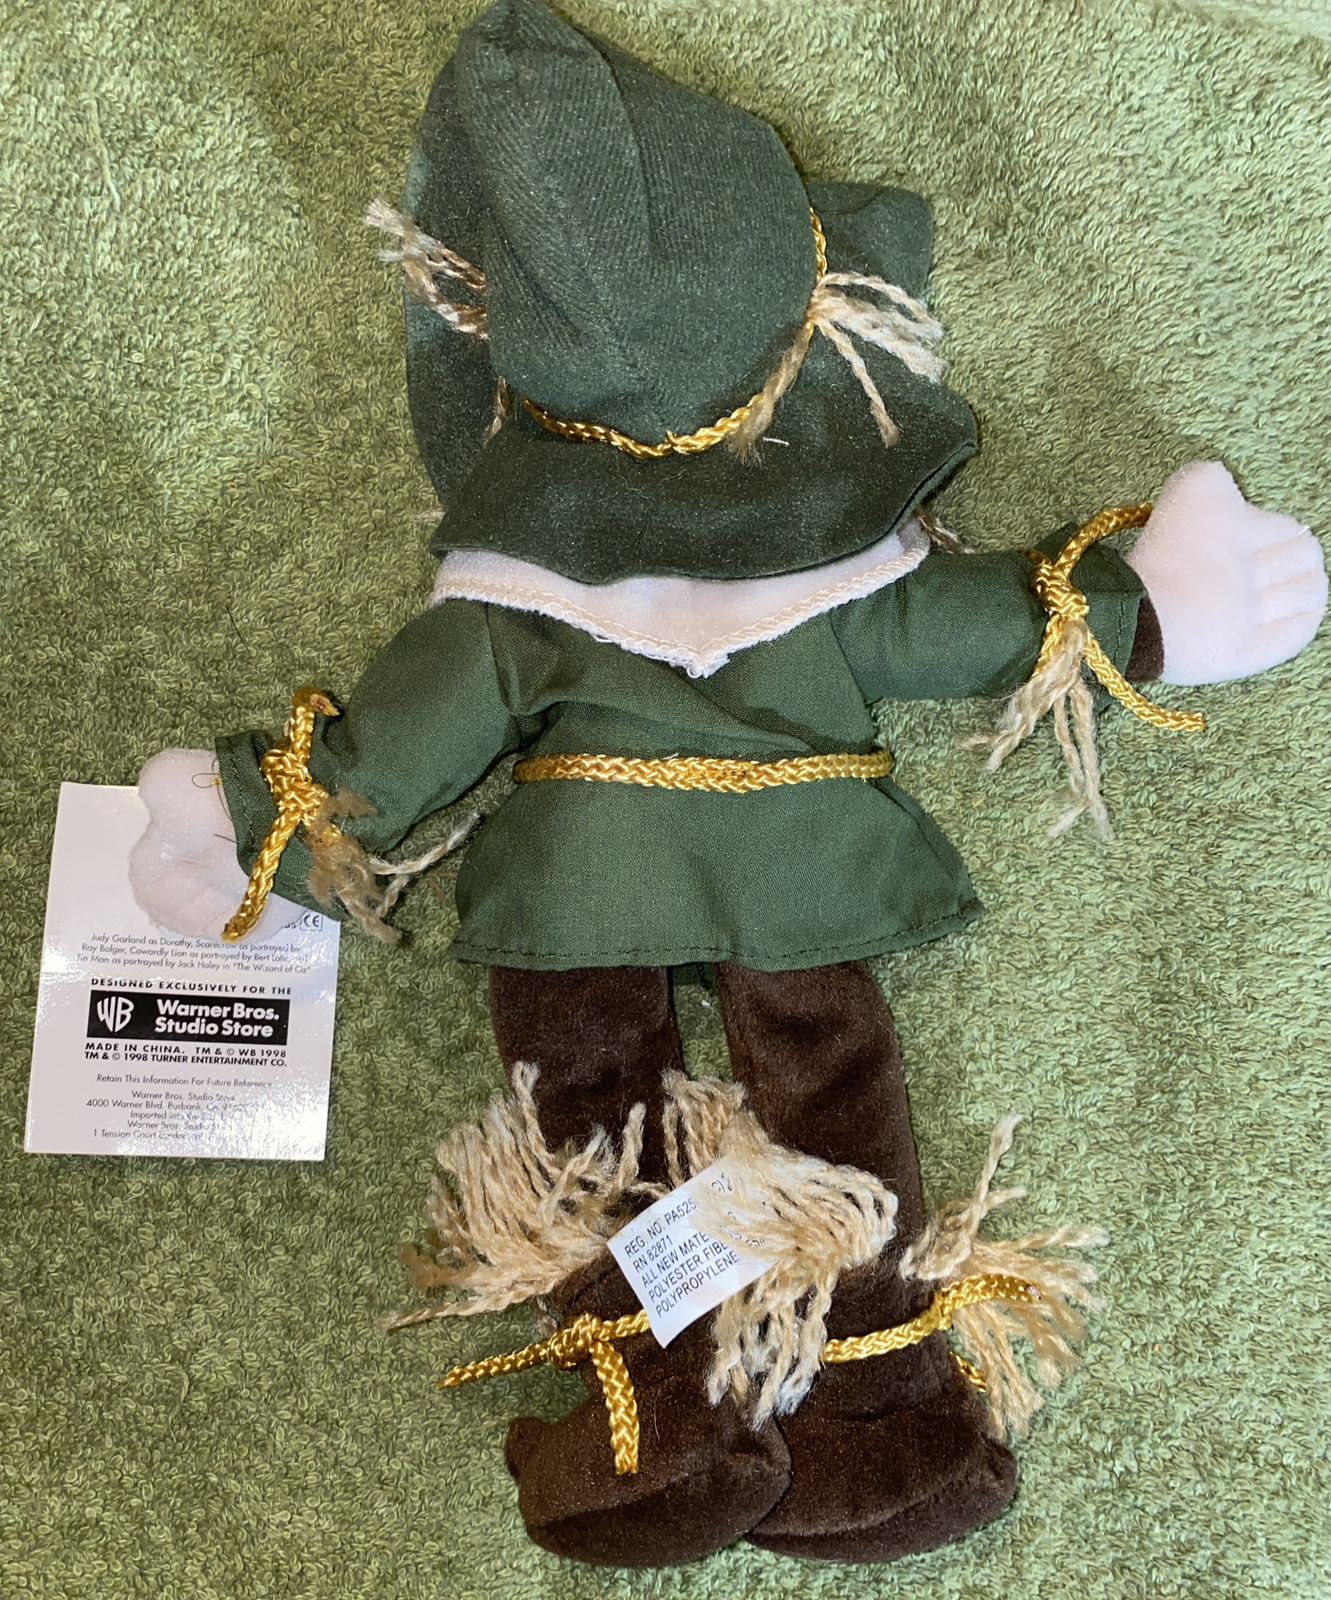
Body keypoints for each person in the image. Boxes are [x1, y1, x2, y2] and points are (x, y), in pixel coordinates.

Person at [129, 0, 1326, 1567]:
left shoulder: (509, 600)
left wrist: (252, 826)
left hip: (579, 884)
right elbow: (976, 621)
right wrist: (1156, 604)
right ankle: (878, 1416)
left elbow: (396, 749)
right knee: (834, 1108)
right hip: (799, 867)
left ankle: (649, 1410)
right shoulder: (832, 565)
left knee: (591, 1119)